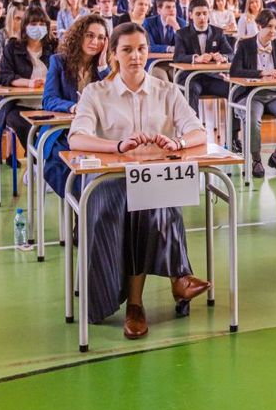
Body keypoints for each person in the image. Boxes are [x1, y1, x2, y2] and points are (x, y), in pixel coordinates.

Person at [67, 22, 211, 337]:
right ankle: (178, 278)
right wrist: (117, 147)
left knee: (151, 195)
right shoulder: (96, 92)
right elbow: (76, 138)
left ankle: (137, 305)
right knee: (147, 198)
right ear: (114, 55)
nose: (136, 56)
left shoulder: (167, 89)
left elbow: (197, 130)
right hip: (107, 184)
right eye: (127, 50)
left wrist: (179, 143)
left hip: (154, 179)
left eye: (142, 48)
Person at [229, 9, 276, 176]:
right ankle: (255, 159)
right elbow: (234, 72)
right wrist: (261, 73)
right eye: (269, 26)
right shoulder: (245, 44)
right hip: (249, 95)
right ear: (259, 26)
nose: (273, 31)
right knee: (252, 118)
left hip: (273, 95)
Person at [42, 15, 108, 197]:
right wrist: (73, 107)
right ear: (79, 36)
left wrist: (103, 67)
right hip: (62, 131)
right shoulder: (58, 61)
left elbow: (114, 95)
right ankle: (80, 211)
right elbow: (48, 99)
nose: (95, 42)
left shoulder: (106, 68)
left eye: (101, 37)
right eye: (90, 35)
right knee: (63, 168)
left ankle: (87, 215)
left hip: (96, 132)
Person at [0, 7, 57, 143]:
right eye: (33, 24)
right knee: (19, 123)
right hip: (19, 104)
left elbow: (63, 74)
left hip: (48, 104)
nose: (38, 28)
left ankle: (40, 157)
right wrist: (29, 83)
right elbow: (4, 75)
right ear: (25, 26)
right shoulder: (12, 47)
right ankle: (35, 157)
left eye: (42, 24)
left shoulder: (54, 47)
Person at [172, 0, 232, 110]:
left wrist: (223, 57)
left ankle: (235, 128)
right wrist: (196, 58)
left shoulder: (218, 32)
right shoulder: (181, 34)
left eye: (205, 13)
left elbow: (231, 54)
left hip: (213, 78)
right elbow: (178, 57)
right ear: (191, 15)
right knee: (192, 90)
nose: (202, 17)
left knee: (233, 89)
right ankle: (194, 127)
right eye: (198, 14)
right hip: (191, 78)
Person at [0, 2, 26, 68]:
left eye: (24, 19)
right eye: (18, 18)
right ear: (10, 19)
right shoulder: (0, 35)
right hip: (5, 74)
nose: (21, 22)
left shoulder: (27, 35)